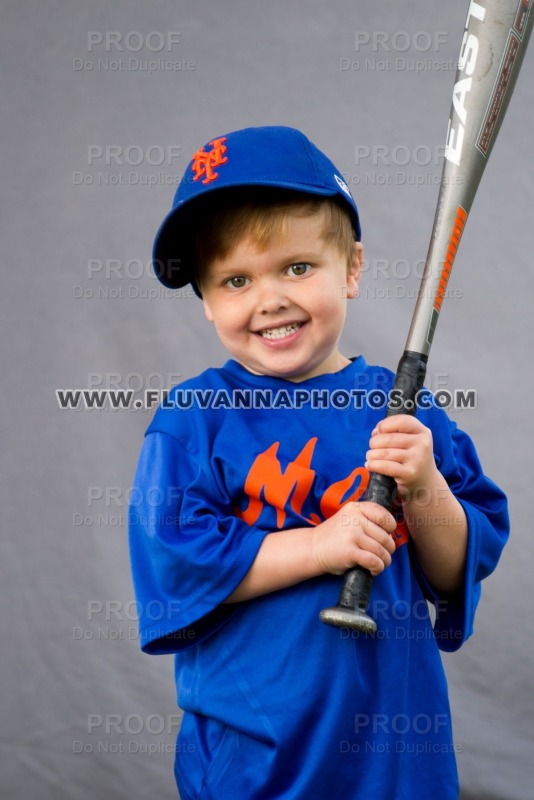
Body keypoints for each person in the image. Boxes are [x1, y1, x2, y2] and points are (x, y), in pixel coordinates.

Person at [128, 126, 509, 799]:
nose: (269, 298)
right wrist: (319, 545)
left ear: (352, 269)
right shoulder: (195, 420)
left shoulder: (404, 412)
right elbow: (176, 564)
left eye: (297, 267)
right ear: (209, 301)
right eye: (236, 279)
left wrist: (423, 488)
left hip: (396, 764)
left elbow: (457, 566)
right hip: (257, 761)